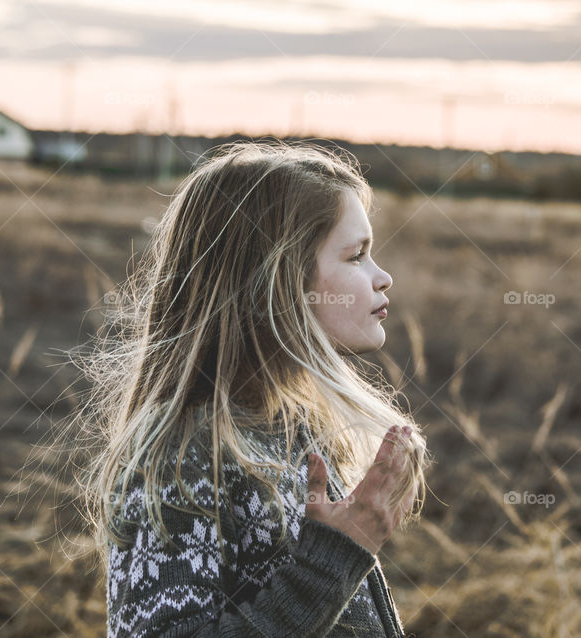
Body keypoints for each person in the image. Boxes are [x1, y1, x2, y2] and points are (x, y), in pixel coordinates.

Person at [74, 140, 429, 637]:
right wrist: (333, 559)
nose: (383, 277)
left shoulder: (294, 428)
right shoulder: (185, 456)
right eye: (356, 256)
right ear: (274, 281)